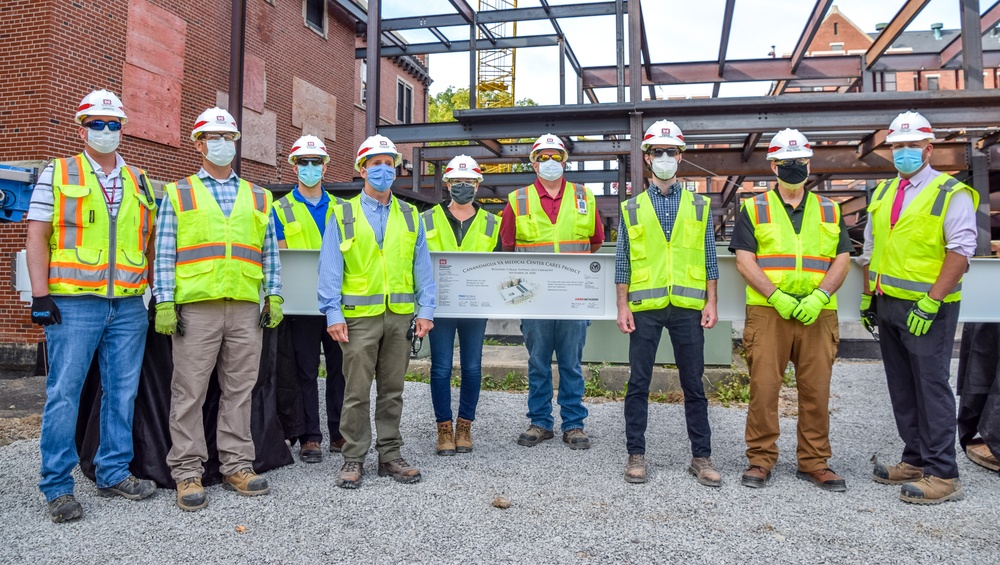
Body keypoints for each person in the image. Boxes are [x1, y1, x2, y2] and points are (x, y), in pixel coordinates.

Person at [25, 89, 158, 522]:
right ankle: (58, 486)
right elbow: (37, 238)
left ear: (122, 128)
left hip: (128, 305)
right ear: (82, 128)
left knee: (123, 392)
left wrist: (153, 291)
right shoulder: (58, 173)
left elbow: (150, 242)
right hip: (74, 304)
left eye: (113, 124)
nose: (105, 131)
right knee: (64, 393)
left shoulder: (139, 179)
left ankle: (113, 470)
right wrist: (40, 294)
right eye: (97, 124)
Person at [153, 107, 283, 511]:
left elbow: (269, 253)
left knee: (240, 389)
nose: (222, 144)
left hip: (245, 305)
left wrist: (274, 294)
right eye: (213, 137)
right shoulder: (179, 192)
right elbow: (164, 252)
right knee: (189, 391)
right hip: (197, 308)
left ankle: (237, 465)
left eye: (228, 137)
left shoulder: (259, 196)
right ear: (199, 143)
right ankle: (187, 472)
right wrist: (164, 301)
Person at [859, 111, 978, 504]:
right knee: (903, 387)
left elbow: (961, 251)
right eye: (897, 146)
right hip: (888, 303)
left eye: (912, 145)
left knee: (930, 386)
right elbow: (873, 249)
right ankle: (915, 460)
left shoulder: (949, 192)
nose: (903, 152)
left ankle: (943, 474)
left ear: (929, 148)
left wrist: (931, 301)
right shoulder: (883, 192)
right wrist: (867, 295)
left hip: (929, 308)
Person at [730, 129, 852, 492]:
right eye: (786, 162)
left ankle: (814, 462)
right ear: (773, 165)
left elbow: (842, 258)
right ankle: (761, 459)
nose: (794, 167)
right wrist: (776, 295)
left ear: (809, 163)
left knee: (816, 390)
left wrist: (819, 296)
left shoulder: (830, 209)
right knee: (764, 389)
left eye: (799, 161)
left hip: (818, 312)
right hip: (770, 312)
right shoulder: (754, 207)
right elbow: (744, 259)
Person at [318, 134, 435, 488]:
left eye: (389, 163)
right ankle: (353, 458)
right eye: (375, 163)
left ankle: (390, 455)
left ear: (396, 169)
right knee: (355, 391)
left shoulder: (411, 215)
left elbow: (423, 268)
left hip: (399, 316)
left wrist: (426, 309)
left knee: (392, 389)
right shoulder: (343, 213)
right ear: (362, 169)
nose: (383, 169)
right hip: (357, 318)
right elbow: (330, 267)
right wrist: (332, 313)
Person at [615, 120, 721, 486]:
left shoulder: (699, 205)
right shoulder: (632, 208)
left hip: (689, 307)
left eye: (670, 152)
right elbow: (622, 261)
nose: (664, 157)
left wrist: (712, 302)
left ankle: (701, 457)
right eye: (657, 152)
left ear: (681, 157)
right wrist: (622, 306)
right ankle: (636, 454)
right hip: (645, 306)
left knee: (693, 383)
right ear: (647, 158)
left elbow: (709, 256)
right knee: (638, 382)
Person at [499, 133, 604, 450]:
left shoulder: (584, 196)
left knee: (571, 362)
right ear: (533, 162)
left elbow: (596, 241)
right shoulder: (518, 200)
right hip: (534, 298)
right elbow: (507, 248)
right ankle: (540, 422)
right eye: (542, 157)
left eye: (555, 156)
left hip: (573, 297)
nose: (549, 162)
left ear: (564, 161)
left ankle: (573, 424)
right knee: (539, 362)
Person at [272, 135, 346, 463]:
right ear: (295, 166)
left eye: (316, 162)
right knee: (304, 370)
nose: (311, 168)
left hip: (338, 304)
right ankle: (310, 436)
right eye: (304, 162)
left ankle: (341, 431)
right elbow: (281, 255)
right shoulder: (280, 209)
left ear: (325, 166)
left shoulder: (343, 209)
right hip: (301, 305)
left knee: (340, 369)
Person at [422, 155, 500, 456]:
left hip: (474, 308)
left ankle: (464, 426)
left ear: (478, 184)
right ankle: (444, 428)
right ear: (447, 184)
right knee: (440, 368)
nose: (462, 186)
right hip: (438, 307)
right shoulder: (426, 218)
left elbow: (499, 268)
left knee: (472, 367)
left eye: (468, 181)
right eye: (457, 181)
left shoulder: (493, 222)